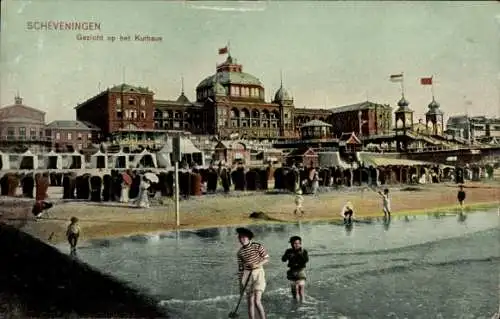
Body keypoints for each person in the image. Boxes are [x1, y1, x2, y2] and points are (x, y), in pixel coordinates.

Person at [236, 227, 269, 319]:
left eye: (243, 237)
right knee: (250, 302)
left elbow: (266, 258)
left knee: (257, 301)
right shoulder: (240, 253)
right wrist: (240, 285)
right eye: (240, 237)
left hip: (259, 274)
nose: (241, 239)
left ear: (248, 237)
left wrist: (257, 265)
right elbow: (240, 269)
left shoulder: (257, 246)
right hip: (247, 275)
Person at [281, 236, 309, 303]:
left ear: (300, 243)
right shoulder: (289, 251)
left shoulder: (303, 251)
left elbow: (306, 260)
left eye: (298, 243)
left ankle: (302, 304)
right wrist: (286, 255)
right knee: (294, 292)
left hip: (300, 271)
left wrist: (301, 254)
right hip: (292, 272)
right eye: (295, 243)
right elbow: (283, 260)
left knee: (300, 290)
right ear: (291, 244)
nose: (297, 245)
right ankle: (296, 304)